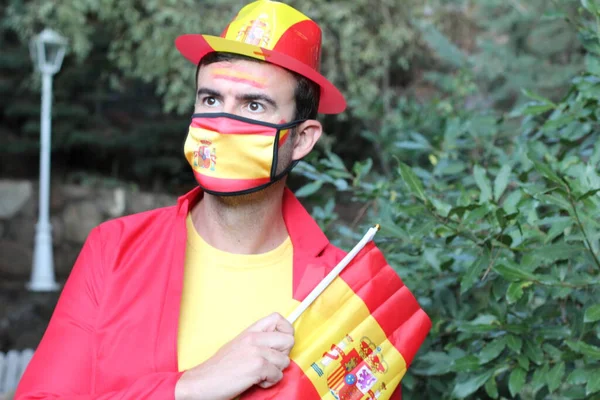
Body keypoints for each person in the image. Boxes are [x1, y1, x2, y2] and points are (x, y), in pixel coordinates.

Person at [15, 1, 424, 399]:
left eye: (253, 104)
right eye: (211, 100)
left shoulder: (346, 292)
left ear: (302, 139)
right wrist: (186, 389)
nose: (225, 123)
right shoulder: (116, 249)